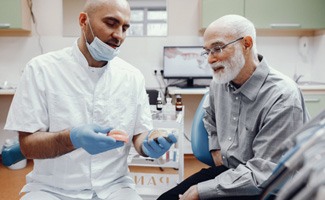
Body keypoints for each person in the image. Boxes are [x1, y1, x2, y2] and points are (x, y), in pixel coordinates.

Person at [4, 0, 177, 199]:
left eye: (125, 27)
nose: (119, 35)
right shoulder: (41, 69)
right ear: (83, 21)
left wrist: (148, 143)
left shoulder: (132, 76)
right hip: (52, 189)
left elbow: (140, 133)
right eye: (111, 23)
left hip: (115, 187)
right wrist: (71, 138)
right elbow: (27, 146)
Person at [158, 14, 310, 200]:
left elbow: (265, 172)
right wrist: (215, 148)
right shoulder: (220, 81)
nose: (210, 60)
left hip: (270, 186)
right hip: (232, 173)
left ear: (246, 44)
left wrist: (202, 190)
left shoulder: (282, 96)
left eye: (218, 49)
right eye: (207, 51)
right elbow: (209, 117)